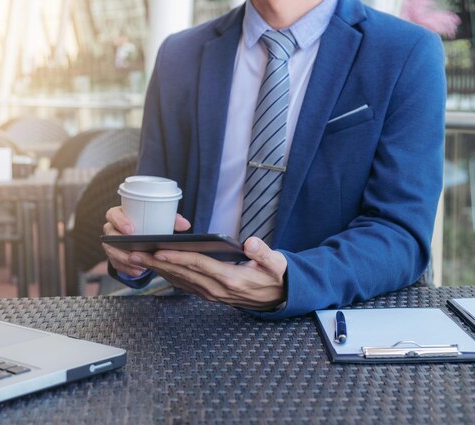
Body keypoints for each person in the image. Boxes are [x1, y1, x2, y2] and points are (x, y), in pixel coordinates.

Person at [102, 0, 446, 318]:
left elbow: (401, 233)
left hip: (324, 317)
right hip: (189, 316)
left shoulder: (406, 52)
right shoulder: (179, 54)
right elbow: (153, 201)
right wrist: (132, 249)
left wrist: (292, 282)